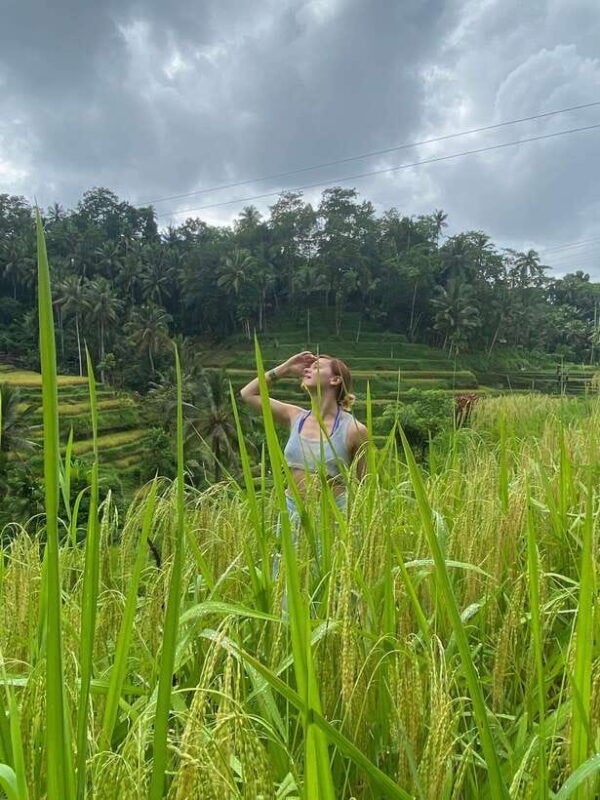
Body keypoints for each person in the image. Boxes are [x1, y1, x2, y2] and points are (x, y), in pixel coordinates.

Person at [239, 351, 369, 522]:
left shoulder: (354, 430)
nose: (308, 370)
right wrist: (285, 368)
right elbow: (248, 394)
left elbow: (366, 486)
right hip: (292, 511)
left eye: (316, 367)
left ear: (335, 380)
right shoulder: (295, 416)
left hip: (332, 515)